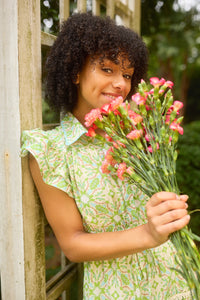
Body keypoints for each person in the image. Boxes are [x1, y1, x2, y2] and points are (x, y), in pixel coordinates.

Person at [21, 12, 191, 299]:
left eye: (126, 74)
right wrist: (148, 235)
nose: (120, 84)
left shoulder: (135, 133)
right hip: (118, 291)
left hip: (176, 280)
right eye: (108, 70)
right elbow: (73, 245)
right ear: (75, 71)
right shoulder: (50, 150)